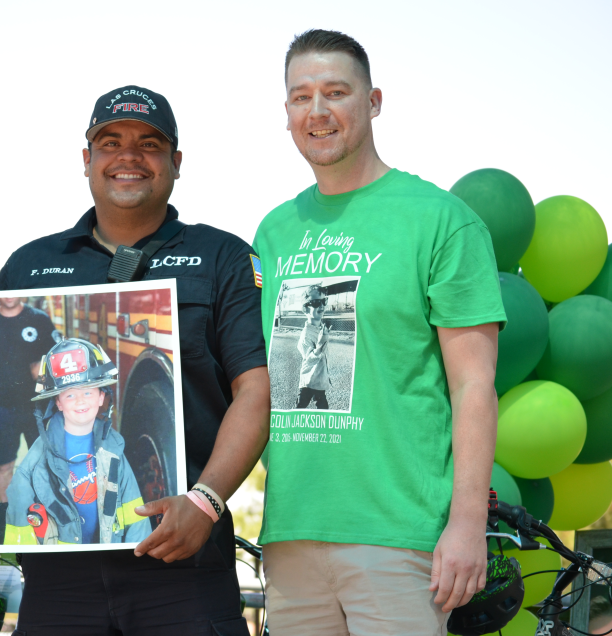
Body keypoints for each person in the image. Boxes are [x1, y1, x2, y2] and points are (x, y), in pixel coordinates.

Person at [0, 85, 271, 635]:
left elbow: (258, 391)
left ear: (176, 162)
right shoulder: (29, 264)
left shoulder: (224, 256)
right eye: (110, 141)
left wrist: (206, 501)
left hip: (186, 569)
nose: (129, 156)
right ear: (87, 160)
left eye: (150, 144)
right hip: (57, 584)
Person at [252, 30, 507, 635]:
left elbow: (475, 385)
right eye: (300, 96)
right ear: (286, 112)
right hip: (290, 534)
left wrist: (467, 522)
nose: (317, 111)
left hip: (400, 538)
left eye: (336, 92)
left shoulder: (441, 219)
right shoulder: (273, 232)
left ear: (374, 101)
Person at [4, 338, 150, 545]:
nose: (81, 401)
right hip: (61, 567)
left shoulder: (113, 449)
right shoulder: (36, 461)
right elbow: (18, 530)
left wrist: (138, 561)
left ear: (101, 397)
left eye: (89, 392)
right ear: (58, 402)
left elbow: (135, 515)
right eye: (70, 394)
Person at [0, 296, 58, 544]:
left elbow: (52, 361)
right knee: (5, 466)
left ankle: (45, 521)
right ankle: (5, 521)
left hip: (37, 407)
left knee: (43, 464)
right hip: (1, 408)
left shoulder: (39, 320)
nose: (10, 295)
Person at [296, 285, 331, 409]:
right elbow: (310, 359)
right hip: (308, 381)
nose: (321, 305)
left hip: (319, 380)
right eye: (316, 302)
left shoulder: (321, 327)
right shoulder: (306, 335)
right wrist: (321, 343)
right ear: (305, 309)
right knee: (300, 407)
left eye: (323, 301)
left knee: (323, 409)